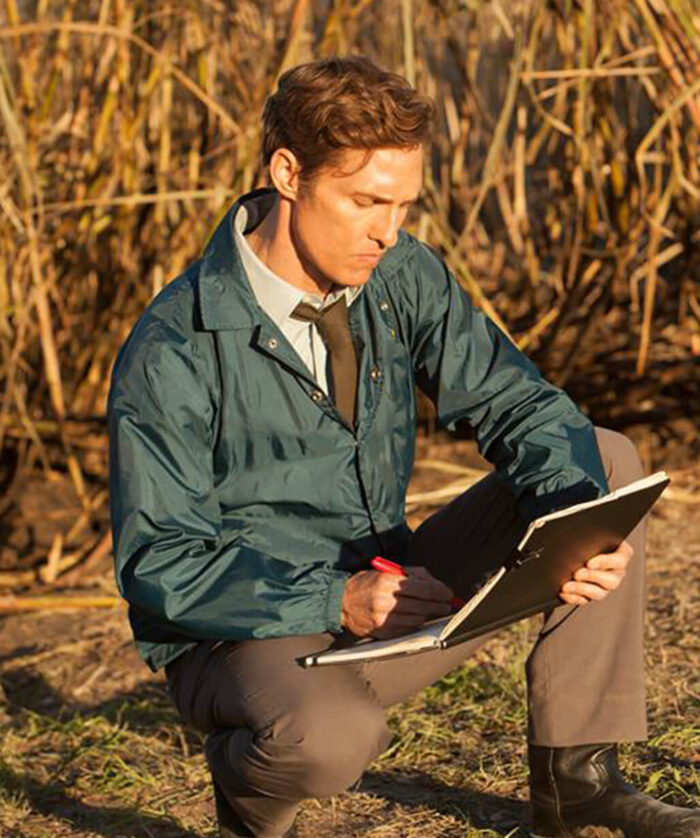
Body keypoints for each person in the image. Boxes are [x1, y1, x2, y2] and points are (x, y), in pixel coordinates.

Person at [107, 55, 700, 838]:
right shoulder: (174, 346)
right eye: (364, 201)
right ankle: (245, 789)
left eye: (403, 205)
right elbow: (160, 565)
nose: (387, 230)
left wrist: (574, 524)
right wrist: (331, 601)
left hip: (392, 592)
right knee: (331, 739)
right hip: (244, 637)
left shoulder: (400, 272)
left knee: (602, 463)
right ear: (288, 174)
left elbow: (518, 403)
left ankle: (577, 780)